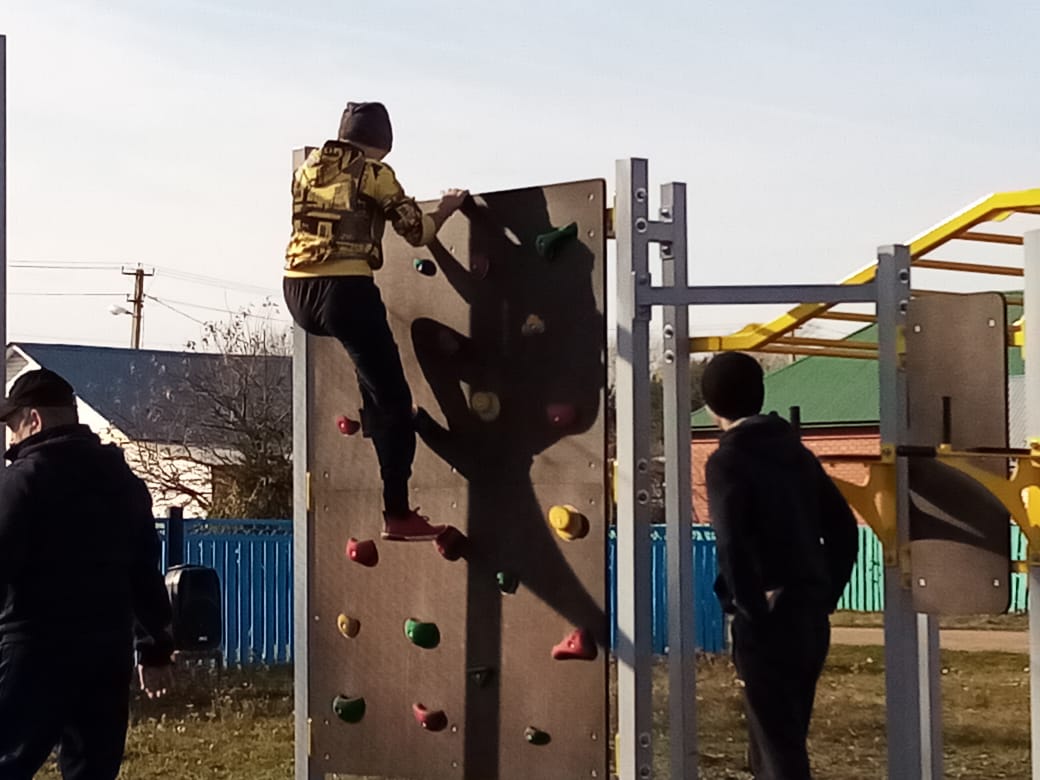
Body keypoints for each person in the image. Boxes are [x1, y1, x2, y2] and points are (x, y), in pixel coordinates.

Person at [284, 100, 468, 541]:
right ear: (383, 144)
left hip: (297, 291)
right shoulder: (374, 173)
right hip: (346, 292)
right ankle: (398, 513)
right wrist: (447, 207)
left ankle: (386, 421)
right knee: (395, 402)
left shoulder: (308, 170)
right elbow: (417, 231)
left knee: (375, 383)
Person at [0, 368, 174, 780]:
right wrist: (154, 649)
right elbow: (143, 568)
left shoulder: (23, 480)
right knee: (92, 771)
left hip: (34, 650)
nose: (10, 439)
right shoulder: (123, 481)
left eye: (12, 426)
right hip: (105, 653)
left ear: (34, 419)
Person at [701, 352, 858, 780]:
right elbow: (844, 528)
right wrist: (824, 593)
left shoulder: (728, 460)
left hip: (767, 617)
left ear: (710, 404)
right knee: (783, 739)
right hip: (808, 615)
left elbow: (731, 543)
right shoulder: (796, 453)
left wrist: (751, 609)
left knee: (776, 750)